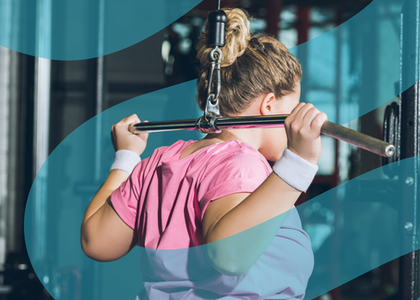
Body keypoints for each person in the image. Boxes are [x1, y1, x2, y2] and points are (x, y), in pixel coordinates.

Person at [81, 8, 328, 300]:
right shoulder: (243, 163)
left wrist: (126, 157)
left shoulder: (158, 162)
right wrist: (299, 163)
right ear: (270, 105)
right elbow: (230, 257)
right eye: (293, 105)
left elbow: (96, 240)